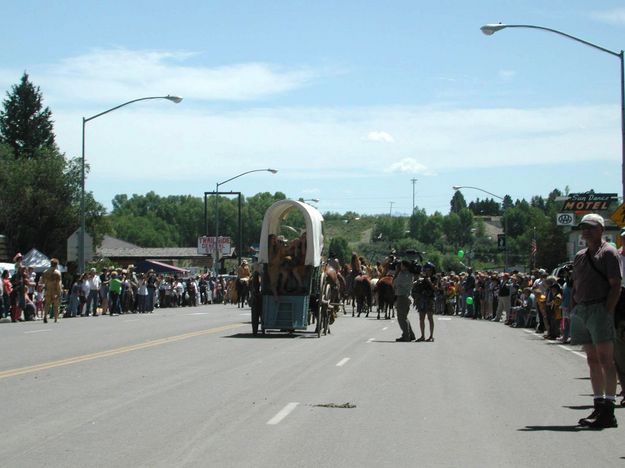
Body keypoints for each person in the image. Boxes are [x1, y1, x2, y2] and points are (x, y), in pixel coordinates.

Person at [572, 213, 621, 428]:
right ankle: (598, 404)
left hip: (599, 308)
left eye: (591, 227)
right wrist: (576, 305)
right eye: (583, 227)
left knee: (605, 360)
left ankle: (609, 410)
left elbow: (616, 285)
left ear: (601, 229)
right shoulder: (581, 255)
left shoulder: (608, 252)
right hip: (583, 309)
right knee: (591, 360)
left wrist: (607, 310)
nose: (586, 231)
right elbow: (576, 283)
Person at [393, 260, 416, 342]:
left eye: (401, 265)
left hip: (403, 296)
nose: (400, 267)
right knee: (404, 317)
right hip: (405, 296)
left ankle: (406, 336)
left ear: (405, 266)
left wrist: (396, 274)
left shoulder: (404, 275)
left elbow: (395, 283)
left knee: (401, 318)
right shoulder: (408, 274)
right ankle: (411, 335)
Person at [413, 262, 436, 342]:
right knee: (421, 318)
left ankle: (431, 336)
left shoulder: (434, 278)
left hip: (430, 299)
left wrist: (429, 281)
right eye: (425, 270)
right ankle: (422, 335)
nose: (427, 271)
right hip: (422, 299)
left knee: (430, 318)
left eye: (428, 270)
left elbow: (435, 288)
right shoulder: (421, 279)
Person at [40, 258, 63, 323]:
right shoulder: (58, 272)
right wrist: (59, 292)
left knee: (47, 304)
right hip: (55, 290)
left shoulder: (45, 272)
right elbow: (59, 283)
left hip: (47, 289)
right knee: (56, 305)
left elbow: (42, 281)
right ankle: (55, 319)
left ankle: (45, 316)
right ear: (56, 264)